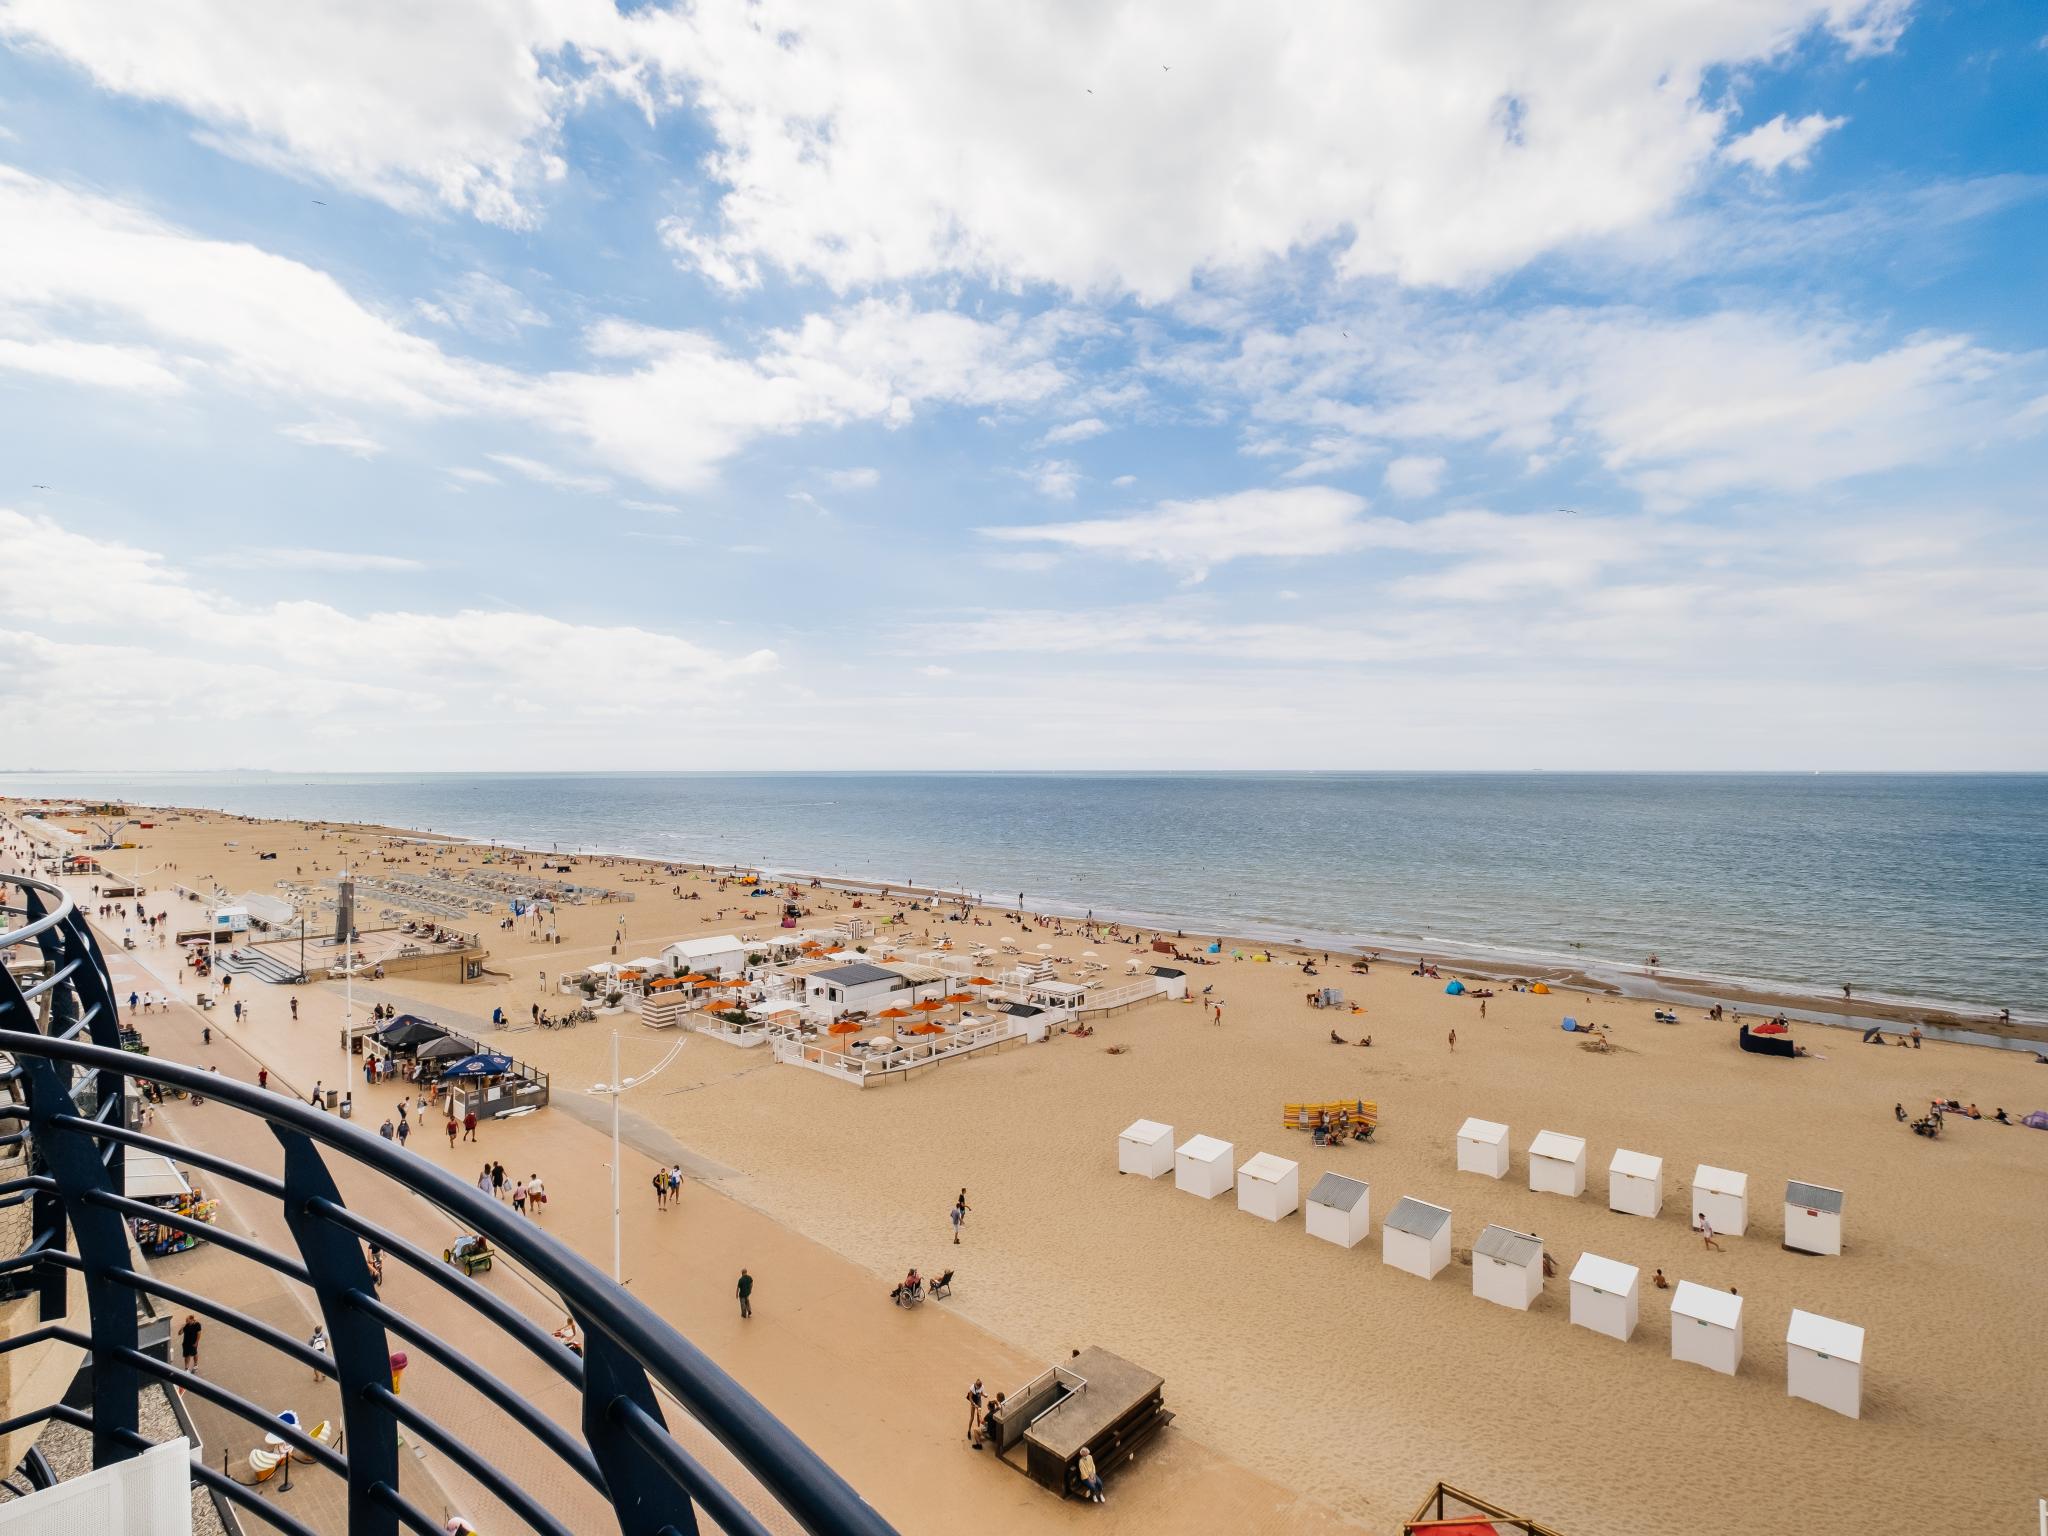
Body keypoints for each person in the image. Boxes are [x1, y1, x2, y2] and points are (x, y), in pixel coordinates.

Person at [966, 1378, 985, 1447]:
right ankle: (968, 1431)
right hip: (973, 1401)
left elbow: (981, 1393)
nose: (979, 1387)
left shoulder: (982, 1386)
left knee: (978, 1416)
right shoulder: (972, 1387)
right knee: (972, 1416)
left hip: (979, 1400)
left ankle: (978, 1430)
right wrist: (974, 1404)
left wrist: (984, 1395)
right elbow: (970, 1397)